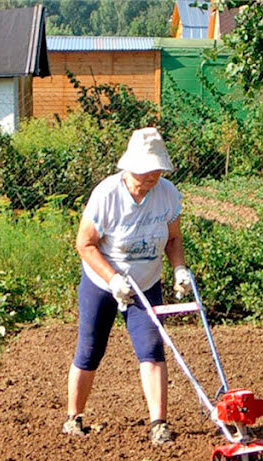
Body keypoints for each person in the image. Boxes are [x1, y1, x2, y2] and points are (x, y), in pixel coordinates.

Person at [62, 127, 191, 444]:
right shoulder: (107, 195)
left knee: (152, 348)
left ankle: (159, 424)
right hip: (102, 284)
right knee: (90, 349)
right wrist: (113, 279)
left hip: (146, 283)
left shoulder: (167, 194)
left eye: (156, 171)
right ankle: (73, 418)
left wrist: (179, 269)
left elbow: (173, 238)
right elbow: (84, 244)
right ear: (130, 166)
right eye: (146, 171)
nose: (152, 177)